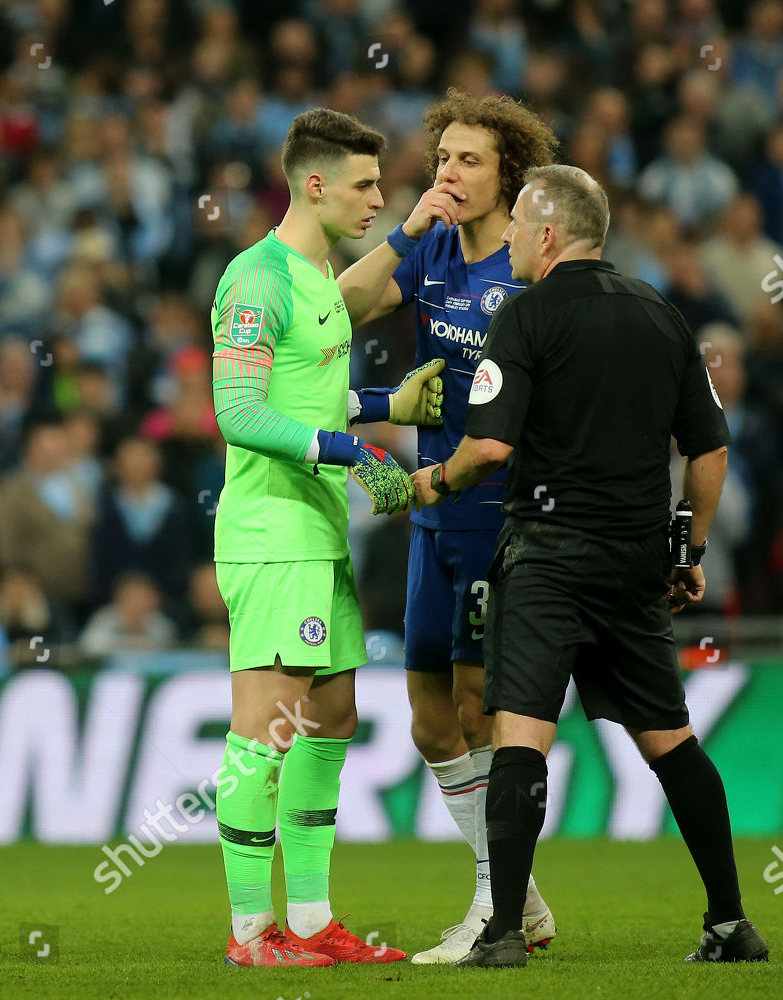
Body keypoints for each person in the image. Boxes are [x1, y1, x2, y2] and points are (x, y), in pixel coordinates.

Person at [412, 165, 768, 967]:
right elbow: (710, 445)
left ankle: (503, 930)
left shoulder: (526, 315)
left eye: (515, 232)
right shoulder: (662, 315)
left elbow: (491, 446)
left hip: (548, 558)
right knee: (672, 742)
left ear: (546, 235)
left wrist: (430, 480)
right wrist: (690, 543)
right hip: (636, 559)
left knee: (520, 741)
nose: (505, 244)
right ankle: (729, 922)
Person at [208, 107, 446, 968]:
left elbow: (306, 400)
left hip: (317, 529)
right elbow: (235, 410)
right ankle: (248, 936)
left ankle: (309, 922)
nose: (378, 199)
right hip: (272, 533)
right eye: (364, 185)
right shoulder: (257, 278)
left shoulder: (319, 277)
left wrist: (385, 408)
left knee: (332, 717)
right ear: (313, 185)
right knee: (263, 732)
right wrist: (347, 449)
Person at [338, 89, 559, 964]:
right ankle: (522, 899)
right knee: (431, 719)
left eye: (469, 161)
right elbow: (344, 307)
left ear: (509, 172)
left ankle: (492, 905)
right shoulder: (427, 245)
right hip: (431, 509)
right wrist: (402, 226)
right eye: (442, 160)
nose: (450, 174)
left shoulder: (532, 263)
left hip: (499, 510)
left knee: (478, 708)